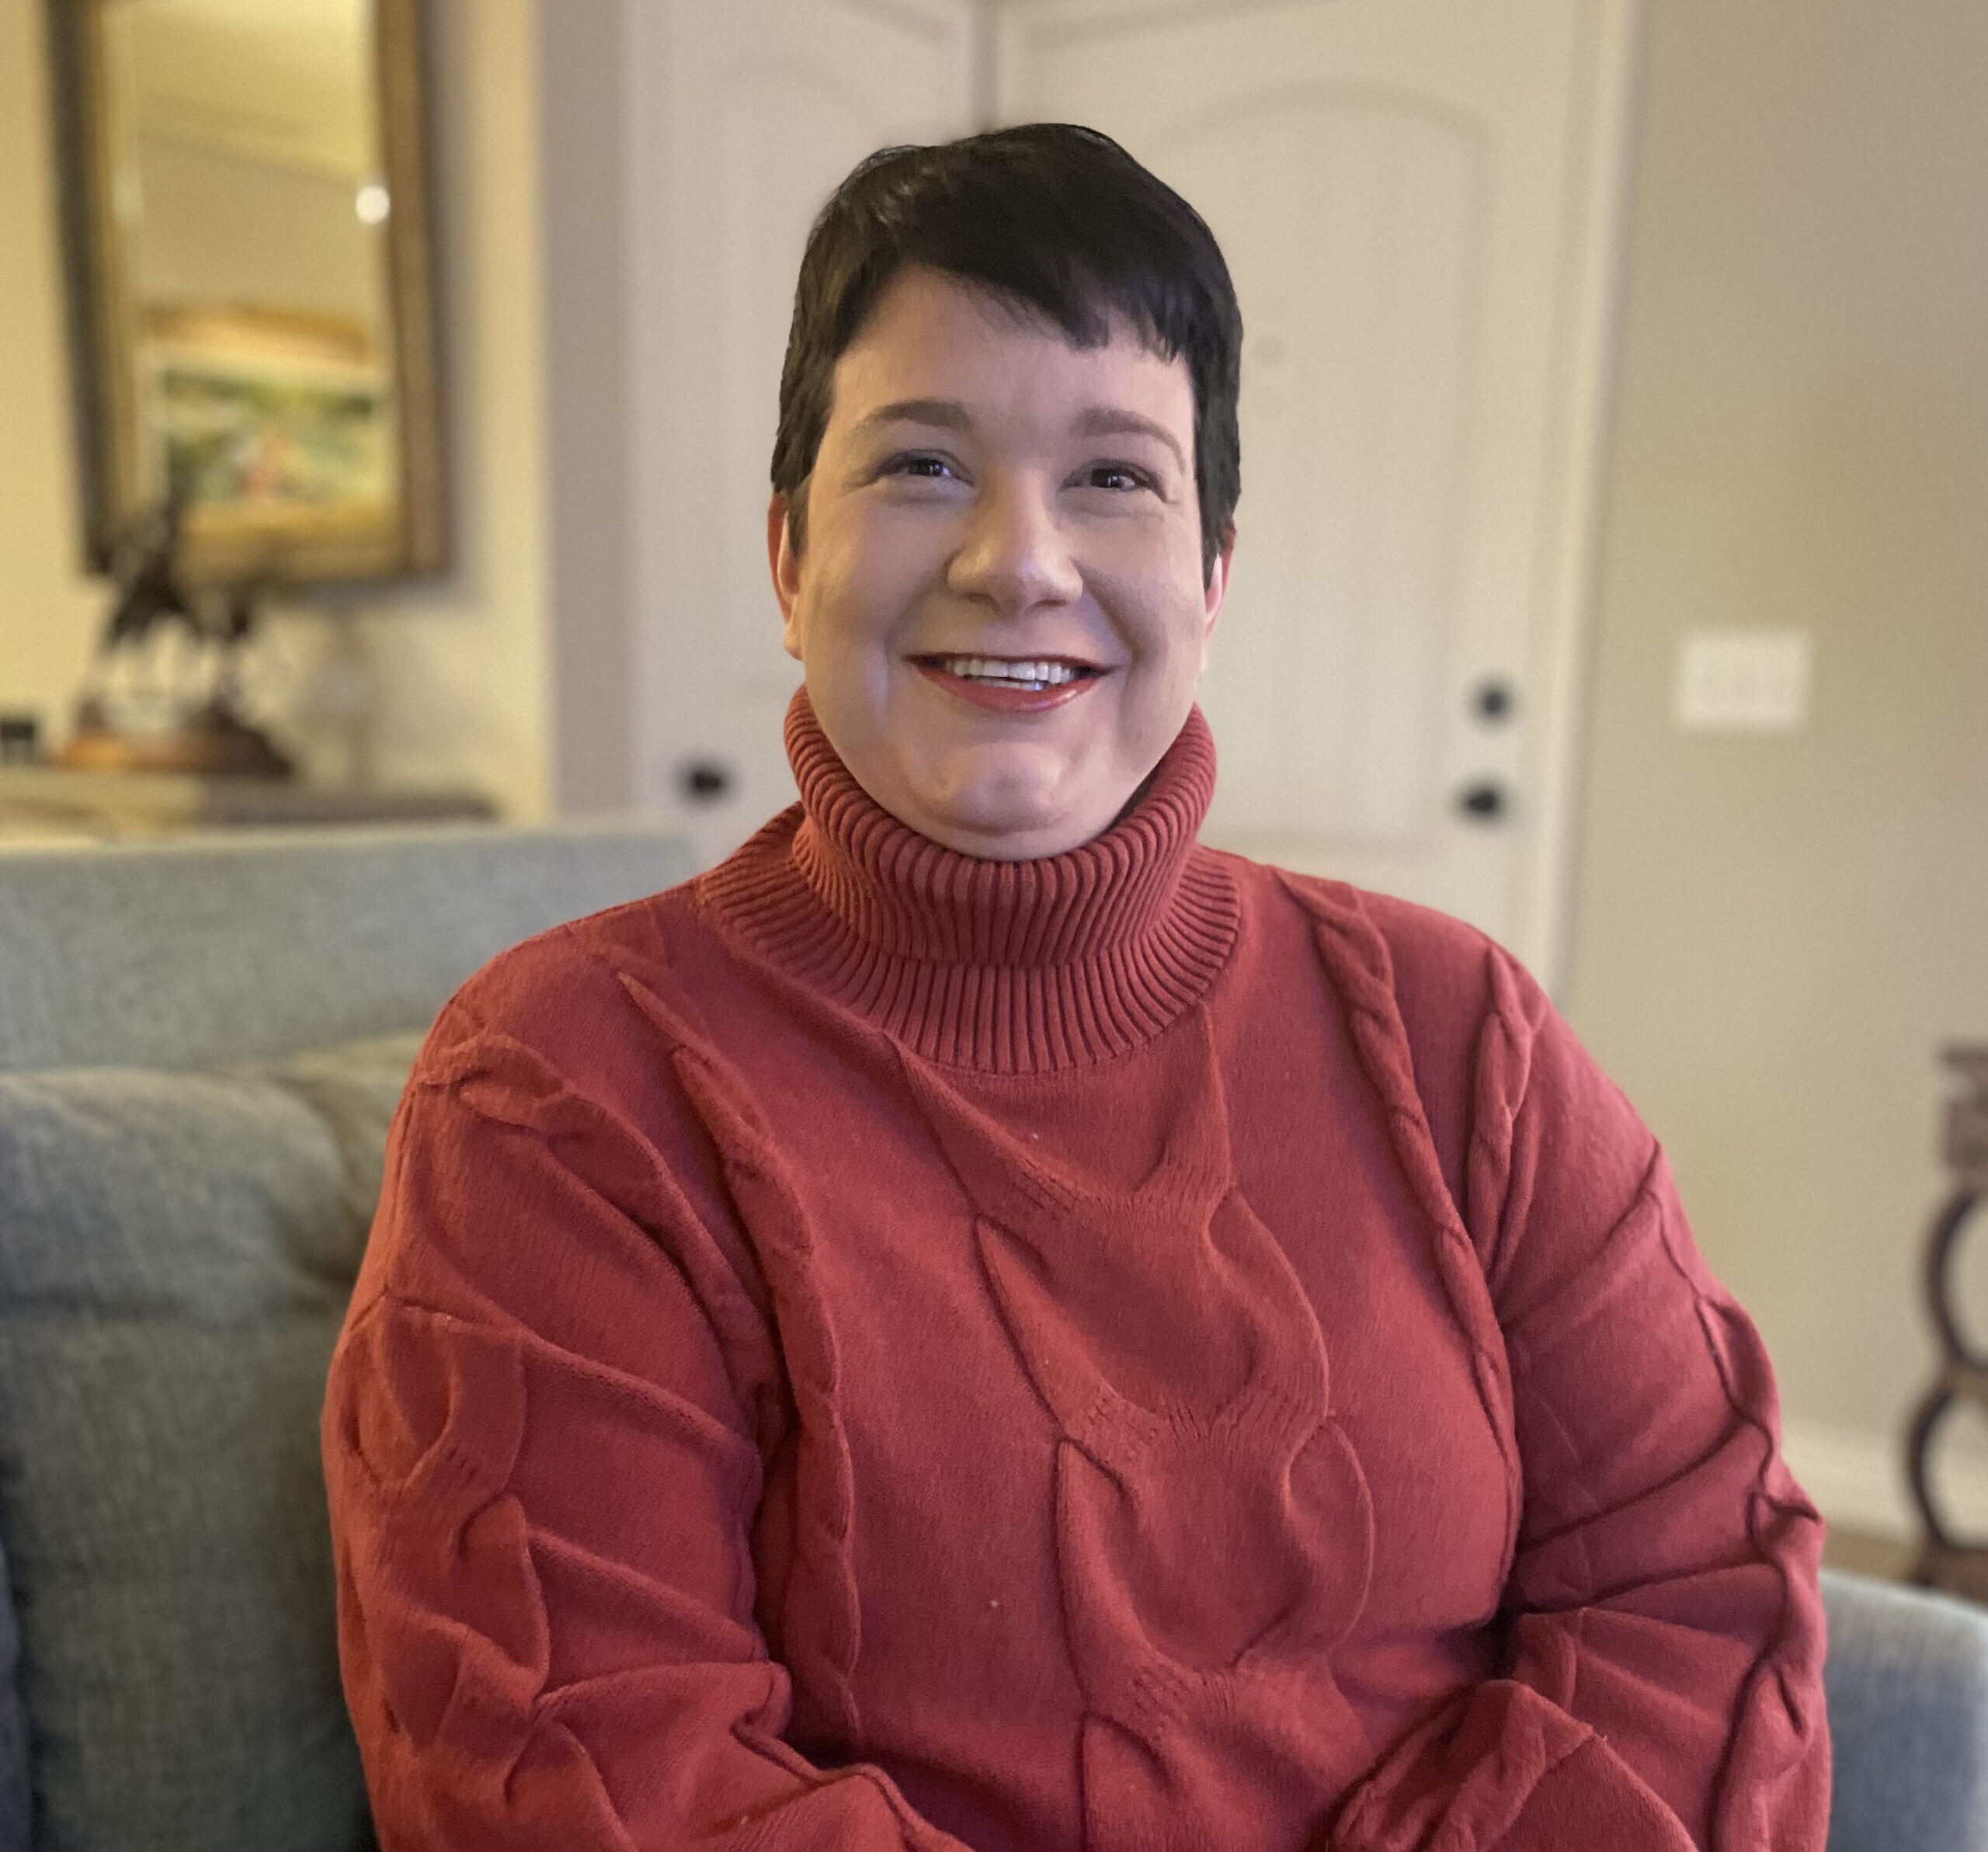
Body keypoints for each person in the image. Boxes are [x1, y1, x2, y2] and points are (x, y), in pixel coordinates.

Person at [322, 125, 1829, 1850]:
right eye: (920, 466)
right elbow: (575, 1761)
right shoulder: (564, 1087)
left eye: (1113, 474)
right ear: (786, 551)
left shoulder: (1456, 1033)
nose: (1018, 560)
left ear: (1211, 572)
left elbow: (1695, 1590)